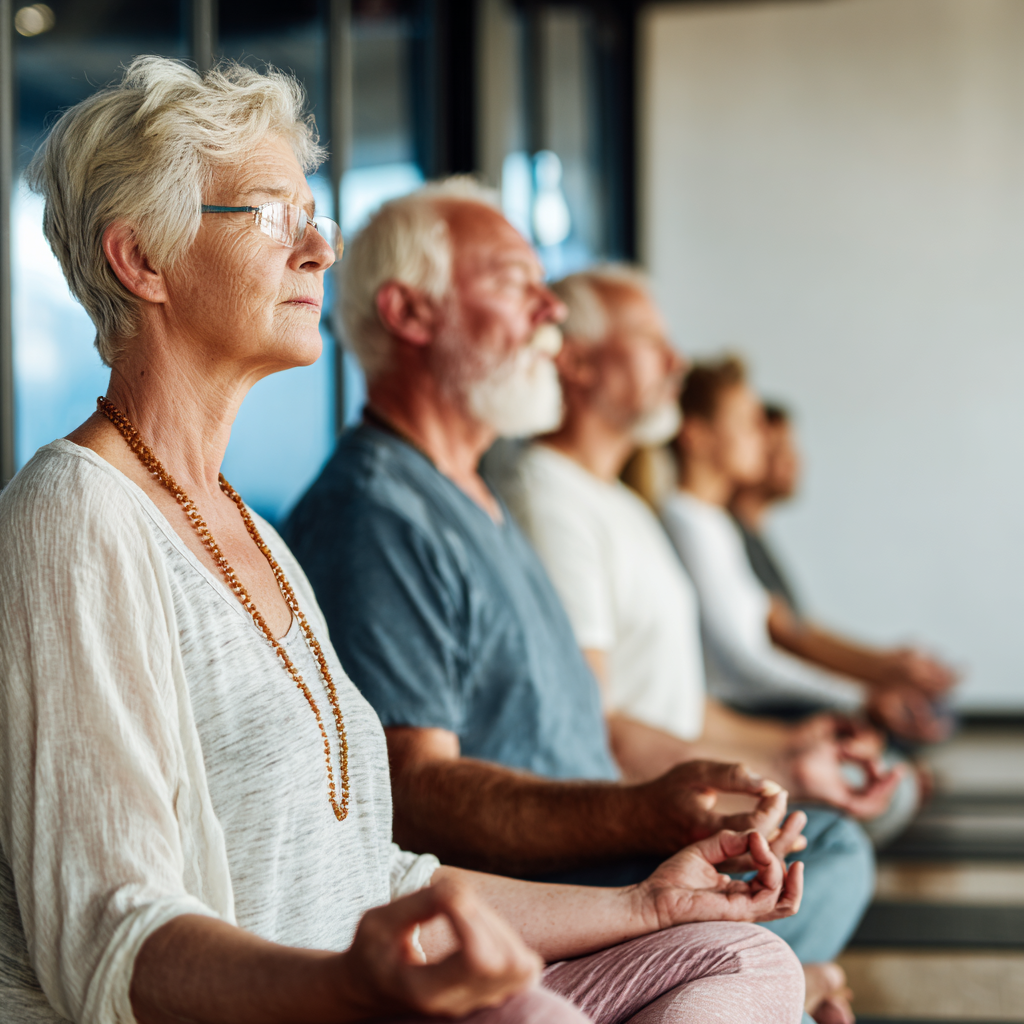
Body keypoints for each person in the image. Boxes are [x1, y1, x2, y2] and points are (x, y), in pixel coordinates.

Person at [0, 58, 808, 1024]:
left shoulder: (250, 529)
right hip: (289, 1005)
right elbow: (109, 937)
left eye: (316, 217)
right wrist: (348, 987)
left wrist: (642, 904)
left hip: (369, 988)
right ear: (140, 260)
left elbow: (377, 879)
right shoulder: (74, 513)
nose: (318, 251)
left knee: (739, 957)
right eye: (271, 215)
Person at [284, 183, 868, 1010]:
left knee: (814, 849)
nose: (550, 308)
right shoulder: (373, 514)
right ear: (410, 314)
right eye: (516, 282)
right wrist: (640, 819)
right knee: (826, 858)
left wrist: (699, 799)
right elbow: (411, 796)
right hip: (533, 883)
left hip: (592, 856)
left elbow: (578, 723)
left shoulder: (471, 492)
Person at [492, 266, 890, 1024]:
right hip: (621, 807)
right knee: (833, 847)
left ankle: (760, 985)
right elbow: (602, 727)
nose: (676, 362)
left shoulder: (618, 503)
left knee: (830, 831)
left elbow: (680, 701)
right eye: (651, 343)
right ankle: (779, 983)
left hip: (665, 778)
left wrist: (786, 752)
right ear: (577, 363)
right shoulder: (547, 496)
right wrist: (761, 777)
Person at [663, 357, 956, 744]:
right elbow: (743, 665)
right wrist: (861, 697)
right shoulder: (686, 522)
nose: (763, 438)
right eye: (748, 423)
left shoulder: (713, 524)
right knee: (891, 750)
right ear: (697, 436)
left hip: (761, 701)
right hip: (743, 710)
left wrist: (874, 683)